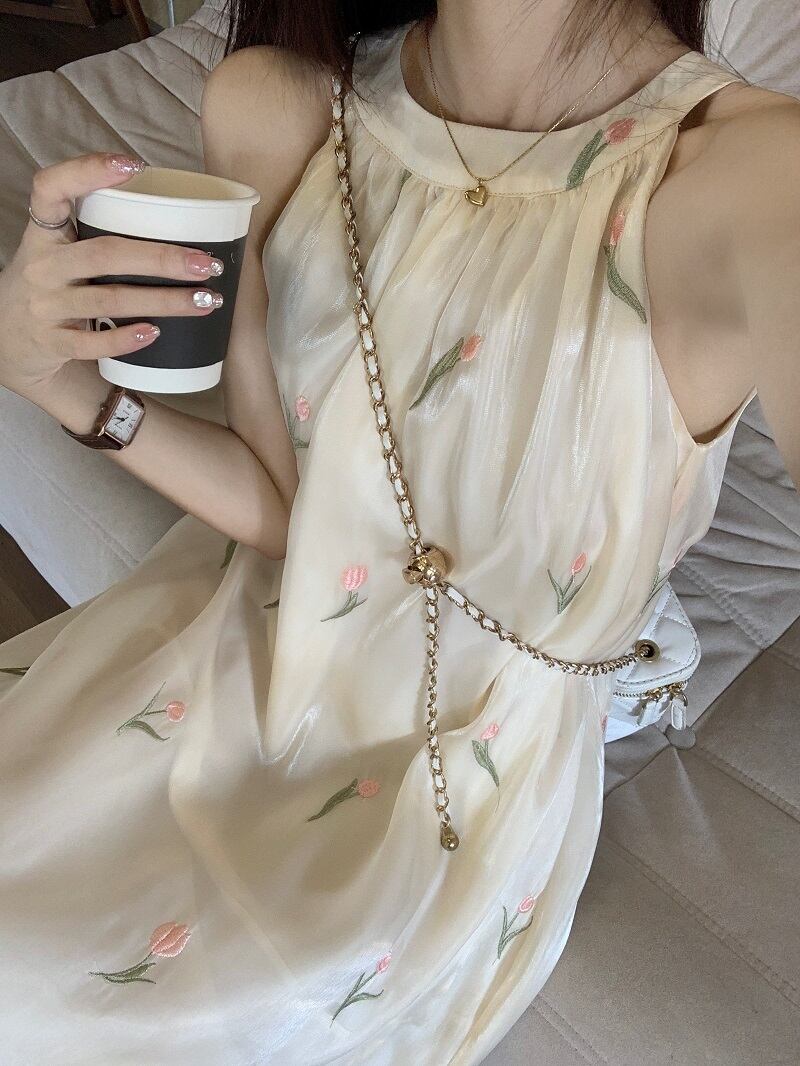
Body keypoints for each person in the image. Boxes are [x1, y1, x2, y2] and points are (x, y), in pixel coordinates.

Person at [0, 0, 798, 1061]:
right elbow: (288, 509)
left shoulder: (754, 175)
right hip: (232, 647)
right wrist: (58, 384)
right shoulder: (279, 104)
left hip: (448, 777)